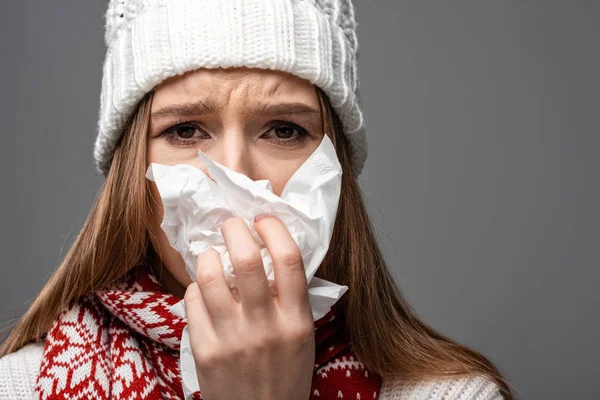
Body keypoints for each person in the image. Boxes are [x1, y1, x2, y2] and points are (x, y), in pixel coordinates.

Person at [0, 0, 516, 399]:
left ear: (337, 169)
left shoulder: (452, 394)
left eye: (284, 130)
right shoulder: (19, 388)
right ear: (132, 172)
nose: (234, 174)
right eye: (185, 131)